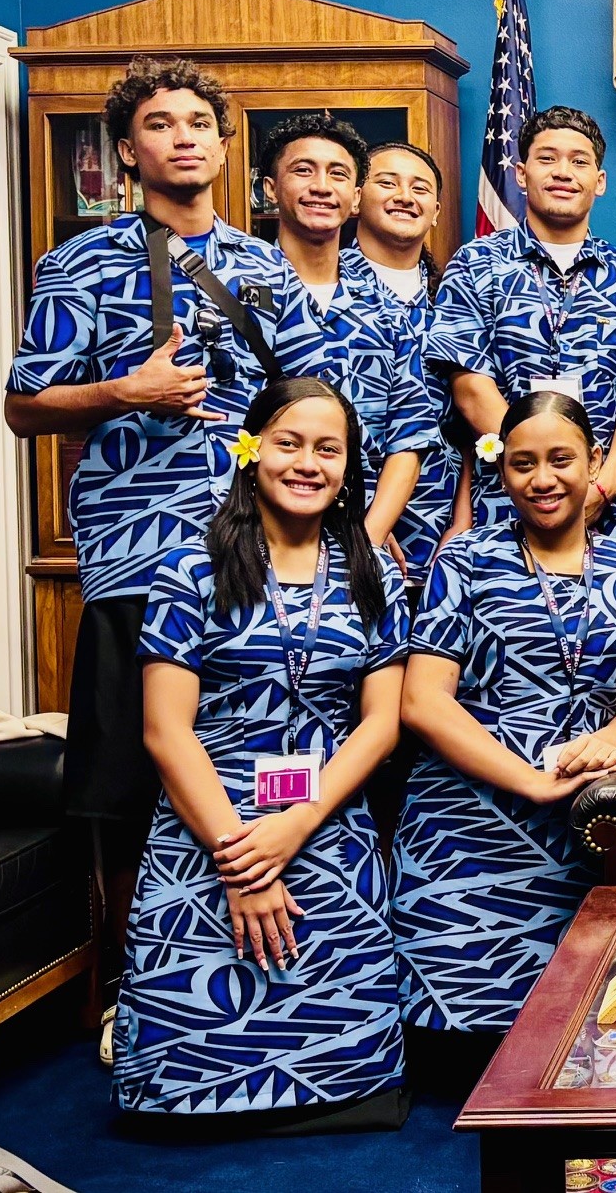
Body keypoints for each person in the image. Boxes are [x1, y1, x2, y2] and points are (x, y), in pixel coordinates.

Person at [3, 56, 321, 1045]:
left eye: (198, 123)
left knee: (252, 755)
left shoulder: (263, 266)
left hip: (254, 555)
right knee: (127, 781)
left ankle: (265, 969)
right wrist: (122, 392)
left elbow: (305, 399)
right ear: (127, 150)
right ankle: (126, 990)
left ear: (223, 148)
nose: (183, 137)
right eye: (160, 123)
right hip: (138, 557)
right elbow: (22, 405)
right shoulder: (79, 264)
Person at [115, 378, 408, 1123]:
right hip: (209, 821)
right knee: (178, 1090)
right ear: (251, 451)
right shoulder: (190, 569)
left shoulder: (373, 574)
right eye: (288, 443)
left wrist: (296, 825)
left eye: (328, 449)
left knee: (360, 1096)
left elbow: (380, 724)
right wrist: (240, 860)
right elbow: (165, 730)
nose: (308, 464)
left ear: (348, 466)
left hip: (326, 816)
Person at [389, 391, 616, 1033]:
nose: (543, 480)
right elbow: (422, 701)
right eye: (523, 464)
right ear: (503, 469)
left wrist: (605, 738)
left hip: (579, 824)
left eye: (561, 459)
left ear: (595, 460)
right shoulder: (465, 560)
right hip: (464, 825)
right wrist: (529, 780)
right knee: (461, 1044)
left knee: (574, 1035)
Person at [427, 106, 616, 549]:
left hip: (609, 516)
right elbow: (470, 388)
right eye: (547, 158)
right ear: (521, 174)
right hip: (504, 507)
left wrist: (599, 487)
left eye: (579, 161)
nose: (563, 172)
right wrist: (537, 475)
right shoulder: (475, 265)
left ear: (600, 181)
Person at [262, 113, 441, 569]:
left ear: (355, 196)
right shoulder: (243, 292)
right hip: (260, 537)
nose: (322, 187)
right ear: (270, 189)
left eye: (338, 174)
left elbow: (411, 435)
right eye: (304, 171)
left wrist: (366, 540)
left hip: (374, 538)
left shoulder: (387, 308)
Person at [349, 139, 464, 587]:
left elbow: (471, 429)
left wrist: (463, 519)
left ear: (435, 211)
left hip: (444, 530)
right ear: (356, 197)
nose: (404, 196)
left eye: (419, 188)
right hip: (346, 521)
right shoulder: (319, 290)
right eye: (387, 182)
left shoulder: (457, 300)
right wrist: (369, 525)